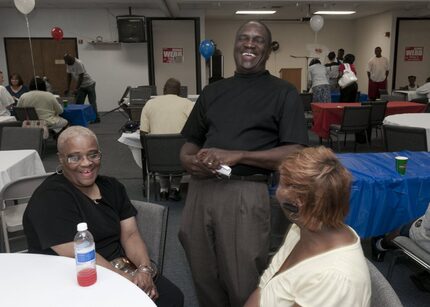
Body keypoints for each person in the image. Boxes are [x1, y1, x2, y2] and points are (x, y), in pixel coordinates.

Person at [178, 20, 309, 307]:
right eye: (243, 38)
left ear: (268, 49)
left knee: (242, 279)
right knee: (202, 274)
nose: (249, 44)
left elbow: (296, 152)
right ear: (235, 44)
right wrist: (188, 160)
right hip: (200, 188)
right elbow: (190, 141)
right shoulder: (213, 91)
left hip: (245, 192)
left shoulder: (283, 92)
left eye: (258, 40)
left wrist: (238, 155)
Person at [23, 126, 184, 307]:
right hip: (73, 276)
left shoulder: (112, 186)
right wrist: (127, 280)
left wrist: (144, 270)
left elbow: (130, 234)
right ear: (61, 159)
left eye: (93, 155)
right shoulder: (50, 197)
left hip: (119, 265)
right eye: (74, 157)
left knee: (171, 297)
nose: (86, 163)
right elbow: (75, 254)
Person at [245, 146, 371, 307]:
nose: (276, 191)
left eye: (281, 184)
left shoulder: (334, 279)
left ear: (298, 203)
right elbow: (265, 286)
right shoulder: (300, 229)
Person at [140, 78, 194, 201]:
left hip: (157, 160)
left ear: (163, 90)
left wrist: (147, 153)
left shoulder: (150, 103)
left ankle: (163, 189)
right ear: (179, 91)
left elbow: (143, 133)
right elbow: (195, 130)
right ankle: (175, 188)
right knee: (180, 149)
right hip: (180, 159)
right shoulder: (187, 103)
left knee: (160, 152)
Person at [64, 53, 100, 123]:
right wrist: (67, 88)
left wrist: (76, 89)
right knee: (79, 103)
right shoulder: (68, 64)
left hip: (89, 85)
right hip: (81, 86)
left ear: (72, 59)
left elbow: (81, 77)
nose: (67, 64)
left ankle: (96, 118)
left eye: (68, 62)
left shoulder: (79, 63)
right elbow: (69, 76)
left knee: (92, 102)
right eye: (66, 62)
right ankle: (79, 118)